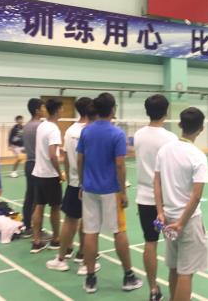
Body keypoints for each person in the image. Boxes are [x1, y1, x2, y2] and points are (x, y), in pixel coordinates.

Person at [77, 93, 142, 294]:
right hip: (110, 191)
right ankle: (128, 276)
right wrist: (123, 192)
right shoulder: (117, 134)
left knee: (90, 232)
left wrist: (81, 184)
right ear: (112, 109)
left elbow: (80, 160)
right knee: (119, 232)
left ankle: (90, 279)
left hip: (89, 189)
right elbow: (120, 165)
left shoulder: (86, 132)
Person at [154, 107, 208, 301]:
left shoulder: (164, 150)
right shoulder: (198, 156)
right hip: (188, 221)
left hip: (168, 217)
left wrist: (160, 212)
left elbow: (157, 182)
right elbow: (195, 196)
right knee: (186, 272)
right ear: (201, 129)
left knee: (175, 267)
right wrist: (182, 222)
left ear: (180, 125)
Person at [47, 97, 100, 275]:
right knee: (89, 223)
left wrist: (71, 180)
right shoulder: (92, 131)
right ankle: (85, 261)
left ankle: (61, 259)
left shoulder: (69, 131)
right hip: (90, 184)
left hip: (74, 183)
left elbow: (68, 160)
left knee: (70, 221)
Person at [134, 94, 177, 301]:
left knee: (150, 242)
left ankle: (153, 290)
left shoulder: (138, 135)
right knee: (173, 244)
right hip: (167, 201)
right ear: (166, 112)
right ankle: (176, 292)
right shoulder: (170, 139)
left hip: (144, 199)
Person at [31, 99, 64, 253]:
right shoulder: (54, 129)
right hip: (50, 175)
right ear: (57, 110)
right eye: (62, 109)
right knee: (55, 208)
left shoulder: (42, 126)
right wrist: (60, 173)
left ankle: (36, 241)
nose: (63, 111)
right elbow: (52, 155)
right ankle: (56, 239)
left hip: (38, 173)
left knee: (39, 206)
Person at [21, 99, 45, 238]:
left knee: (29, 196)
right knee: (38, 199)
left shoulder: (26, 126)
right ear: (37, 110)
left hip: (28, 164)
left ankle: (27, 226)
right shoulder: (40, 126)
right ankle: (38, 230)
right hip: (37, 164)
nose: (44, 110)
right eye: (42, 107)